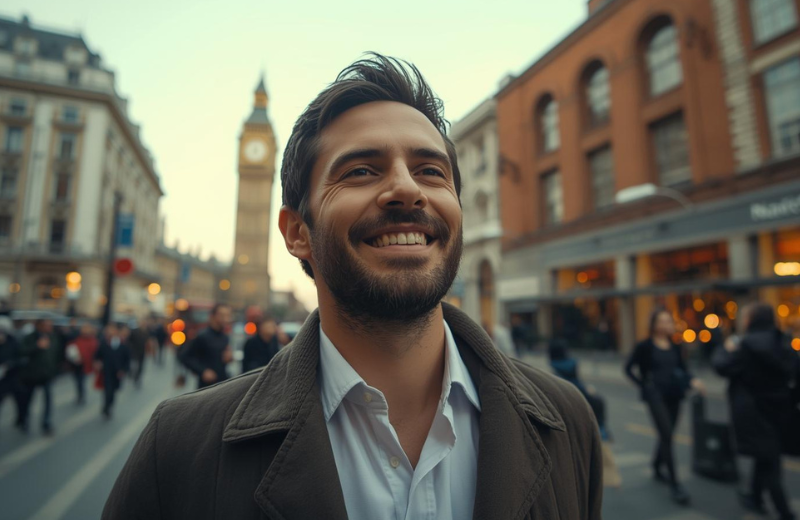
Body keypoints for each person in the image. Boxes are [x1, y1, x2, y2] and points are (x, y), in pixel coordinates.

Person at [104, 54, 602, 520]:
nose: (407, 188)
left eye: (431, 171)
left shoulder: (567, 420)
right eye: (361, 170)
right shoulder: (176, 449)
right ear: (298, 232)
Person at [713, 303, 798, 520]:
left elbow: (721, 366)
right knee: (767, 456)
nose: (741, 320)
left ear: (752, 320)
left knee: (771, 466)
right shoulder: (784, 341)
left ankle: (785, 513)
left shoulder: (744, 346)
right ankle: (754, 497)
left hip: (754, 413)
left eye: (744, 316)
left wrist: (726, 348)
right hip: (780, 411)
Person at [625, 308, 706, 505]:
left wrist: (693, 380)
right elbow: (628, 368)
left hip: (674, 395)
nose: (666, 325)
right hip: (655, 396)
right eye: (661, 321)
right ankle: (675, 484)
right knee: (668, 435)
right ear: (653, 324)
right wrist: (644, 385)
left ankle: (655, 464)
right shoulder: (644, 346)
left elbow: (683, 369)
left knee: (666, 434)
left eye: (669, 321)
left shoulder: (676, 346)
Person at [18, 319, 61, 435]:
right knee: (28, 399)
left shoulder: (52, 337)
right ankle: (24, 419)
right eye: (46, 325)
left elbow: (56, 354)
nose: (49, 328)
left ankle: (46, 423)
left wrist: (55, 371)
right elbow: (21, 351)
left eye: (50, 325)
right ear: (39, 326)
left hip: (47, 374)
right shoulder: (30, 337)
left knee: (48, 400)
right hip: (31, 375)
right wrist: (37, 346)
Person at [178, 304, 233, 389]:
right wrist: (202, 371)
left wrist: (229, 358)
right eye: (222, 315)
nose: (225, 319)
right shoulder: (202, 336)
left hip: (222, 384)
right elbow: (185, 356)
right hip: (206, 386)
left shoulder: (225, 337)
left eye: (228, 315)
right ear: (212, 316)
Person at [94, 323, 131, 419]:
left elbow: (127, 359)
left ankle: (109, 406)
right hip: (106, 371)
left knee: (113, 392)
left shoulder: (122, 343)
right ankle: (106, 408)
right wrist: (97, 362)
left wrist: (123, 370)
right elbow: (97, 355)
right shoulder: (103, 342)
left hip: (117, 373)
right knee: (107, 391)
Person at [0, 316, 25, 428]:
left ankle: (21, 420)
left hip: (13, 377)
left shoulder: (13, 341)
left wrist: (10, 364)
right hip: (2, 380)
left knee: (20, 401)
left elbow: (21, 357)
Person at [67, 323, 99, 405]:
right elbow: (71, 348)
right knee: (77, 381)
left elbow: (95, 352)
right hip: (76, 364)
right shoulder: (77, 339)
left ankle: (81, 395)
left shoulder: (93, 340)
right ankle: (80, 394)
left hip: (86, 365)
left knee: (81, 381)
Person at [128, 318, 150, 388]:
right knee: (134, 366)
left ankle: (137, 378)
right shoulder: (134, 331)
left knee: (141, 367)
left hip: (142, 352)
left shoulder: (146, 332)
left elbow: (147, 342)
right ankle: (133, 376)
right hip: (135, 352)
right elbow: (129, 341)